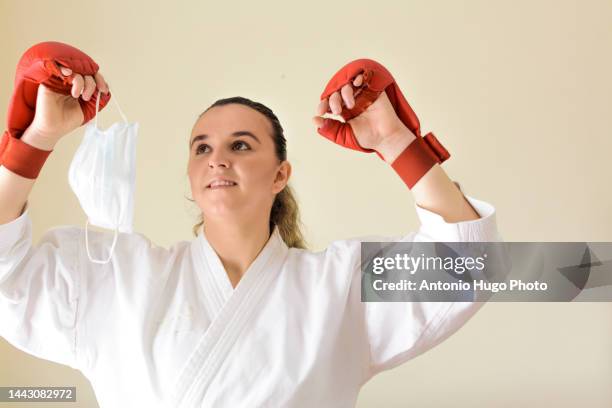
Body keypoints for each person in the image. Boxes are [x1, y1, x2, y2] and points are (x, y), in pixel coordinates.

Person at [0, 58, 498, 407]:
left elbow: (465, 264)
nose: (217, 158)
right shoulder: (120, 277)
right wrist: (35, 139)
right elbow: (7, 274)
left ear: (280, 175)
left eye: (241, 145)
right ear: (192, 179)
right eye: (201, 148)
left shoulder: (338, 286)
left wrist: (396, 141)